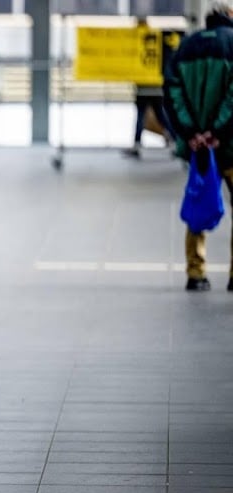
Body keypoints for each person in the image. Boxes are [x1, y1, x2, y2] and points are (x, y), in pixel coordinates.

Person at [163, 1, 233, 291]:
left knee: (198, 202)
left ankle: (196, 272)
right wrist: (217, 130)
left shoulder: (186, 47)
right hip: (229, 144)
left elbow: (171, 93)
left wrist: (191, 132)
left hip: (198, 148)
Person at [123, 20, 176, 159]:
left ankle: (137, 145)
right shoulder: (156, 39)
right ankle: (175, 140)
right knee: (161, 116)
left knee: (141, 117)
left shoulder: (136, 41)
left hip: (143, 87)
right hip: (156, 87)